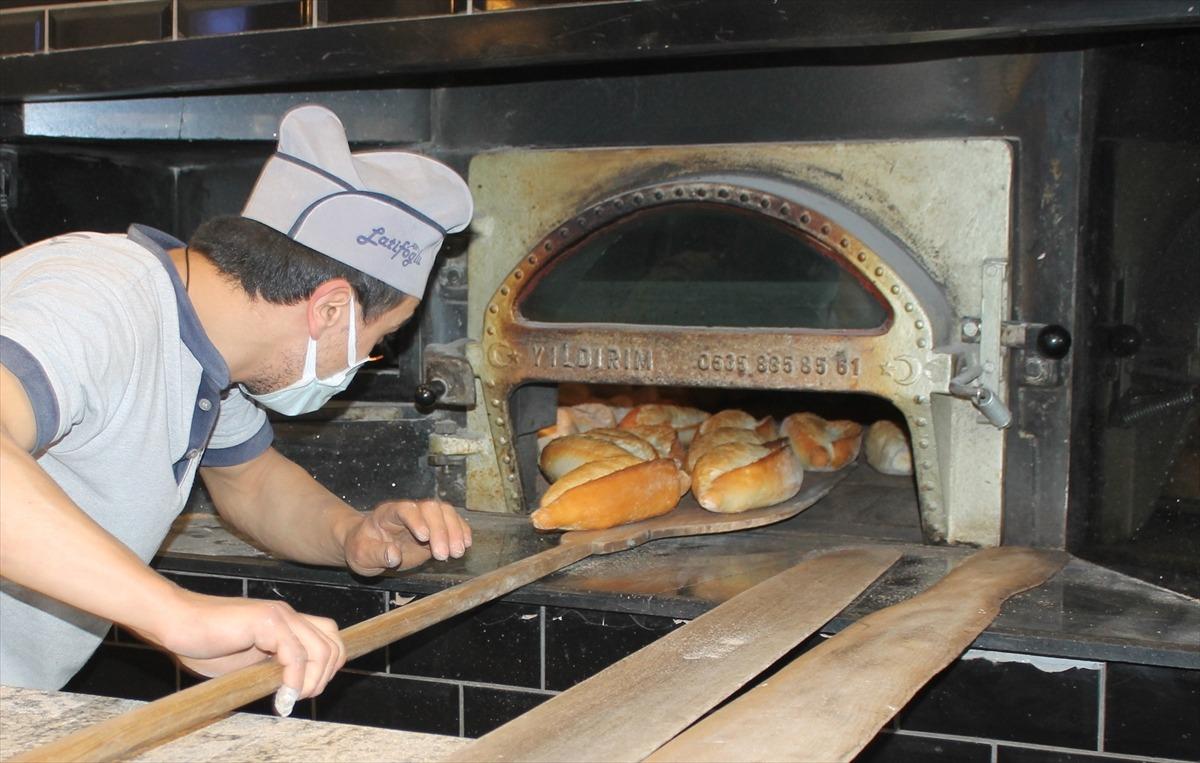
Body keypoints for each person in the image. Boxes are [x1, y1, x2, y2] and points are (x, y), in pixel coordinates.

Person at [0, 105, 474, 714]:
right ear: (330, 310)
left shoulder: (206, 350)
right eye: (378, 340)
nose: (368, 359)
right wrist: (178, 614)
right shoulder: (98, 298)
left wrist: (353, 535)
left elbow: (250, 482)